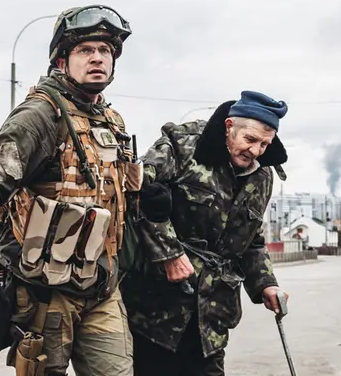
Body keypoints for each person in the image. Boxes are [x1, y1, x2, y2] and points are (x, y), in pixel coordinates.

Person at [0, 6, 140, 376]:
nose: (98, 58)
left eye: (105, 51)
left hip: (101, 288)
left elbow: (116, 197)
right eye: (86, 50)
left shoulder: (111, 120)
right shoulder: (41, 114)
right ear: (61, 59)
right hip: (44, 293)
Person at [121, 90, 291, 376]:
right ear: (229, 127)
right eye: (250, 140)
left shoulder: (262, 175)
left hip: (212, 315)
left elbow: (252, 239)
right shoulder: (182, 146)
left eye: (265, 144)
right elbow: (136, 194)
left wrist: (265, 284)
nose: (256, 151)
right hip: (156, 309)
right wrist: (169, 254)